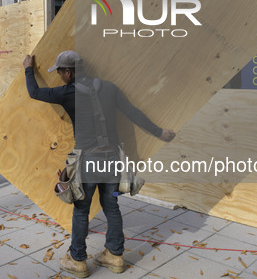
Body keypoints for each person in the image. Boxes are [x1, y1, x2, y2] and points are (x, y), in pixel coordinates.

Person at [23, 50, 175, 277]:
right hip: (112, 158)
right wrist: (159, 132)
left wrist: (28, 68)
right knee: (111, 206)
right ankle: (115, 255)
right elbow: (133, 113)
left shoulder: (66, 93)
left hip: (87, 162)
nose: (60, 77)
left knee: (81, 209)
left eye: (61, 73)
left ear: (68, 72)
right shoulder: (109, 87)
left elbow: (34, 92)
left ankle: (77, 259)